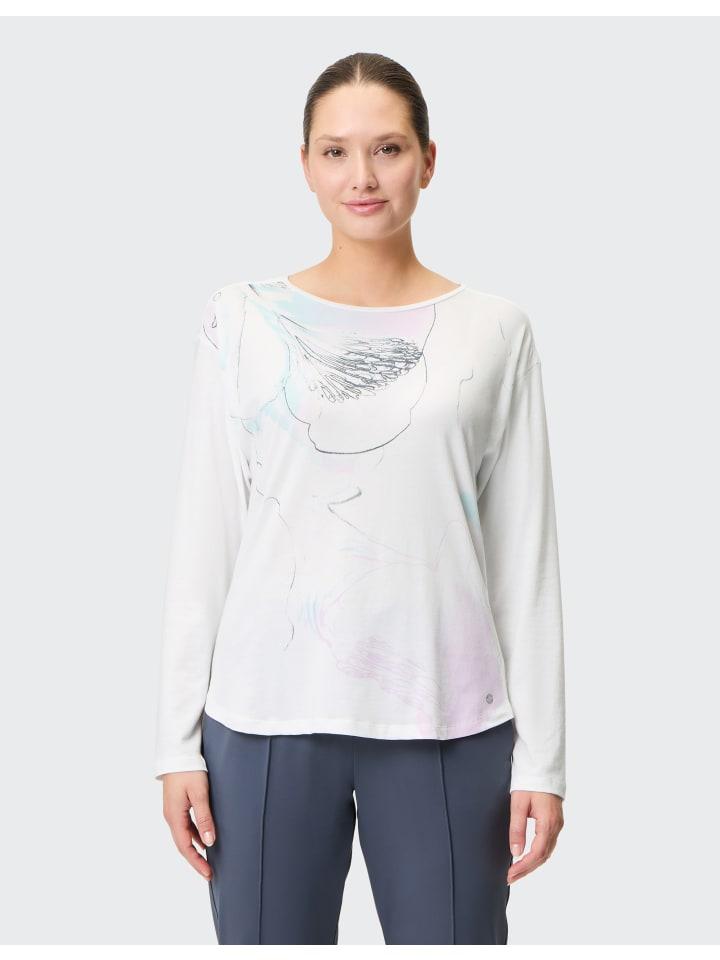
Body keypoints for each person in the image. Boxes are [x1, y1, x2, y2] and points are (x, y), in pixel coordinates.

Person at [154, 51, 566, 946]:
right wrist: (175, 742)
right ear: (305, 165)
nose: (363, 177)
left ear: (428, 159)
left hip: (448, 720)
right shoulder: (242, 319)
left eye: (387, 148)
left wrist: (544, 759)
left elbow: (524, 554)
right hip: (263, 720)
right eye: (336, 152)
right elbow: (207, 535)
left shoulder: (494, 331)